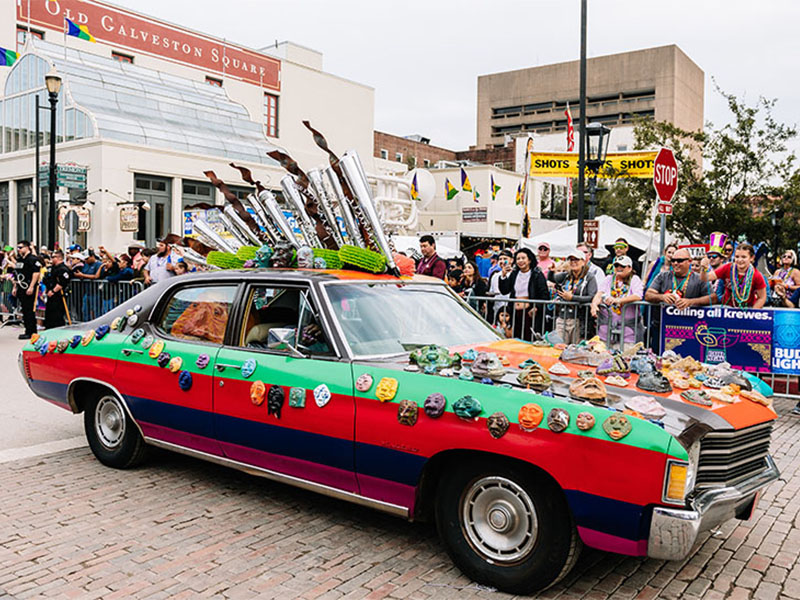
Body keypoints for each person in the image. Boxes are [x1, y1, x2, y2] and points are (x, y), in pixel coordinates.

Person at [591, 255, 643, 346]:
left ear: (629, 268)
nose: (619, 268)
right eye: (616, 266)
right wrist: (594, 305)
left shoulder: (635, 279)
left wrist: (619, 300)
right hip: (605, 331)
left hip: (627, 333)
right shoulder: (608, 278)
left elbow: (638, 296)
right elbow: (599, 293)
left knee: (624, 358)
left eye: (622, 266)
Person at [498, 248, 549, 340]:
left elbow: (544, 295)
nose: (520, 261)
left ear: (529, 260)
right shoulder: (514, 274)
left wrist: (536, 307)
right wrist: (503, 276)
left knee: (529, 338)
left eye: (523, 258)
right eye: (518, 259)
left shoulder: (537, 274)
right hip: (515, 312)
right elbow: (504, 290)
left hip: (530, 313)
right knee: (516, 339)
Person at [551, 248, 598, 344]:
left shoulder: (589, 277)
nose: (573, 262)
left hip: (579, 320)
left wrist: (572, 298)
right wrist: (552, 271)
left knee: (575, 350)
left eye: (576, 259)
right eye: (571, 260)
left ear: (583, 262)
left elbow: (592, 296)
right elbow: (552, 278)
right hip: (562, 317)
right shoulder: (566, 275)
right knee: (559, 347)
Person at [704, 242, 766, 308]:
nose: (740, 260)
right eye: (737, 257)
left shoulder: (756, 275)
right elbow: (705, 278)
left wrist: (752, 313)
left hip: (747, 309)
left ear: (751, 258)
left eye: (744, 257)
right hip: (727, 309)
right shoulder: (728, 268)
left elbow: (762, 297)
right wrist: (703, 268)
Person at [13, 242, 43, 339]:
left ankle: (31, 331)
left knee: (29, 310)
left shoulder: (32, 259)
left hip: (28, 286)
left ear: (27, 248)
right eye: (18, 247)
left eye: (20, 247)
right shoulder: (20, 259)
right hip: (21, 286)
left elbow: (36, 273)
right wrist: (15, 287)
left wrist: (31, 286)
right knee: (25, 310)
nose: (19, 249)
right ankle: (27, 330)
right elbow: (17, 274)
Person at [43, 250, 71, 329]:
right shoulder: (51, 268)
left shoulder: (63, 269)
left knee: (57, 315)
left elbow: (62, 282)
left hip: (58, 295)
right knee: (49, 314)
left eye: (53, 257)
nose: (51, 259)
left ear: (59, 258)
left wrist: (53, 291)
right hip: (49, 293)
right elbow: (46, 279)